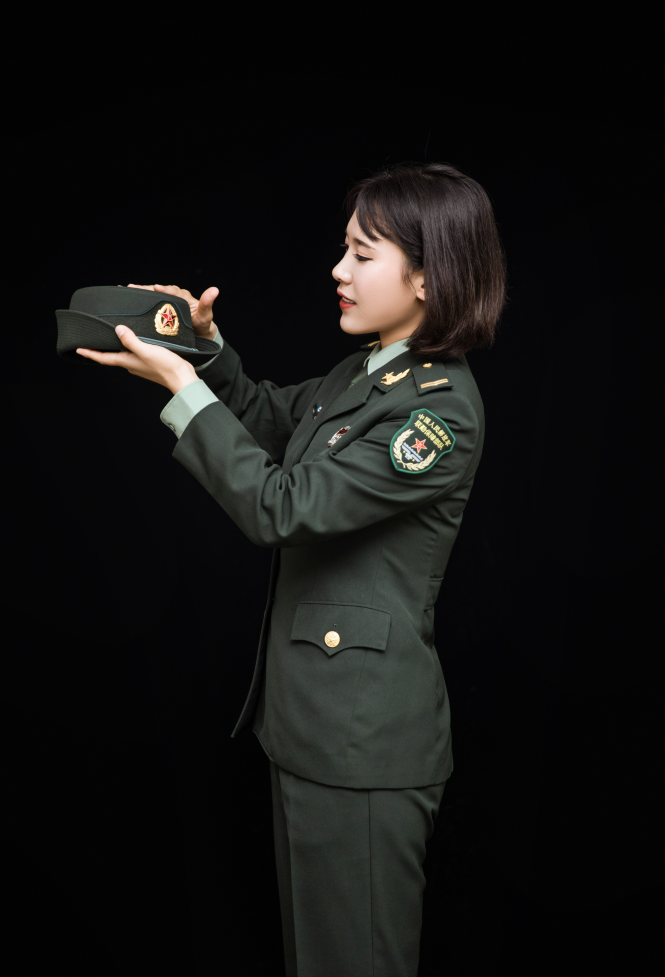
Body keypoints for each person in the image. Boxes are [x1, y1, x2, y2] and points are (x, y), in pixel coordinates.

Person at [77, 162, 506, 977]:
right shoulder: (365, 371)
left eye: (362, 254)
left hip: (363, 749)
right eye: (343, 249)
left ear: (428, 276)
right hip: (310, 731)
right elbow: (270, 417)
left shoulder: (436, 409)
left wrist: (182, 390)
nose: (338, 270)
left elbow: (282, 507)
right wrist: (202, 352)